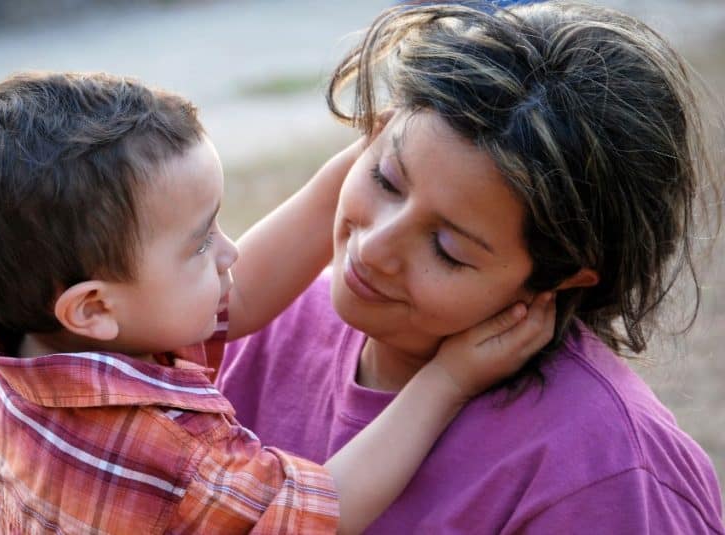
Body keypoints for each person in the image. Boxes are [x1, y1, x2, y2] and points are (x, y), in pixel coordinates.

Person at [0, 71, 555, 534]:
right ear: (93, 307)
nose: (228, 252)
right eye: (201, 242)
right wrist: (446, 380)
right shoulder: (170, 451)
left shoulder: (41, 352)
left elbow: (245, 292)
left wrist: (381, 155)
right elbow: (325, 512)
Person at [218, 2, 725, 533]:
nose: (373, 250)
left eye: (447, 249)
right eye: (387, 179)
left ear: (564, 274)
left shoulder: (605, 474)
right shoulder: (264, 330)